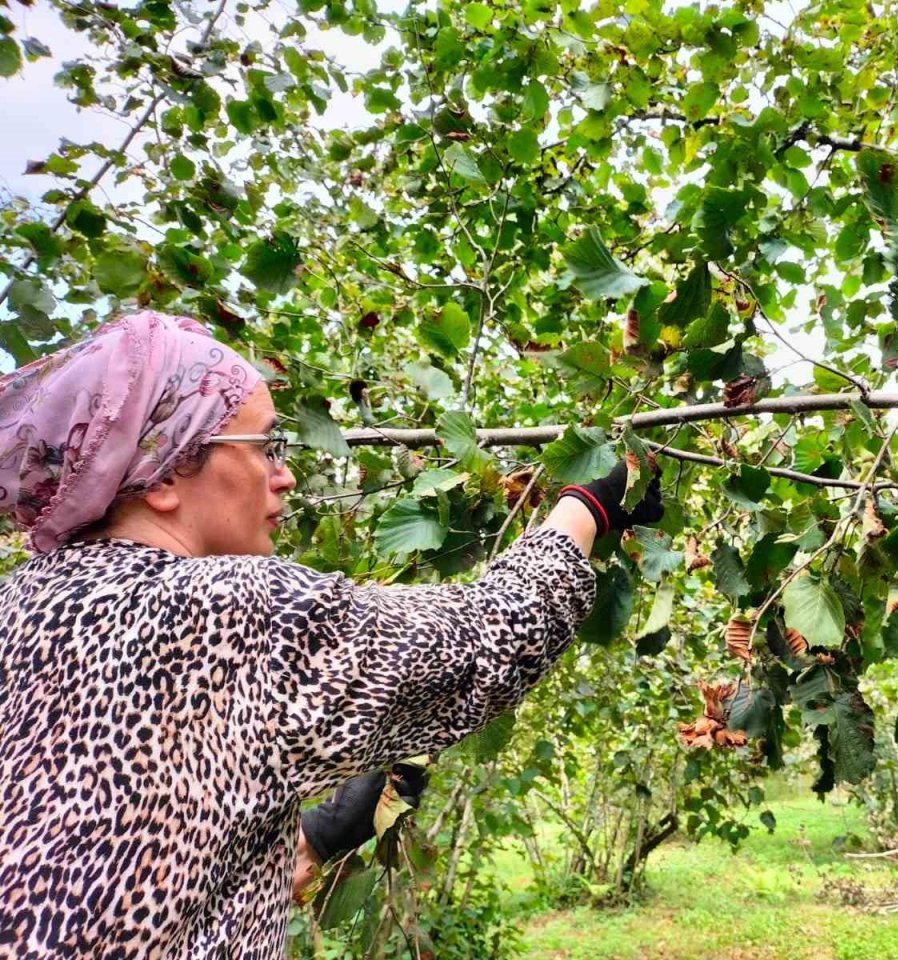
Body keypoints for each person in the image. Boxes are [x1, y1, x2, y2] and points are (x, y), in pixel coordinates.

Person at [0, 311, 662, 959]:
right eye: (265, 447)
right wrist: (588, 504)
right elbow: (495, 633)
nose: (285, 475)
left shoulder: (19, 604)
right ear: (166, 472)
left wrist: (275, 853)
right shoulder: (228, 613)